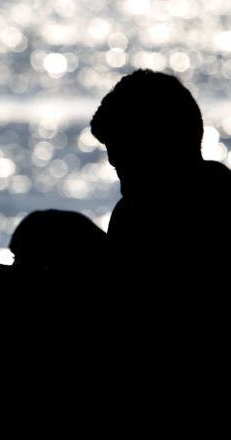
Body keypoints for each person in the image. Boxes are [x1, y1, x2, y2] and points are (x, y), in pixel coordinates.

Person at [90, 69, 231, 282]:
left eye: (123, 146)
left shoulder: (132, 217)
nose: (112, 160)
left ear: (161, 144)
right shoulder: (130, 214)